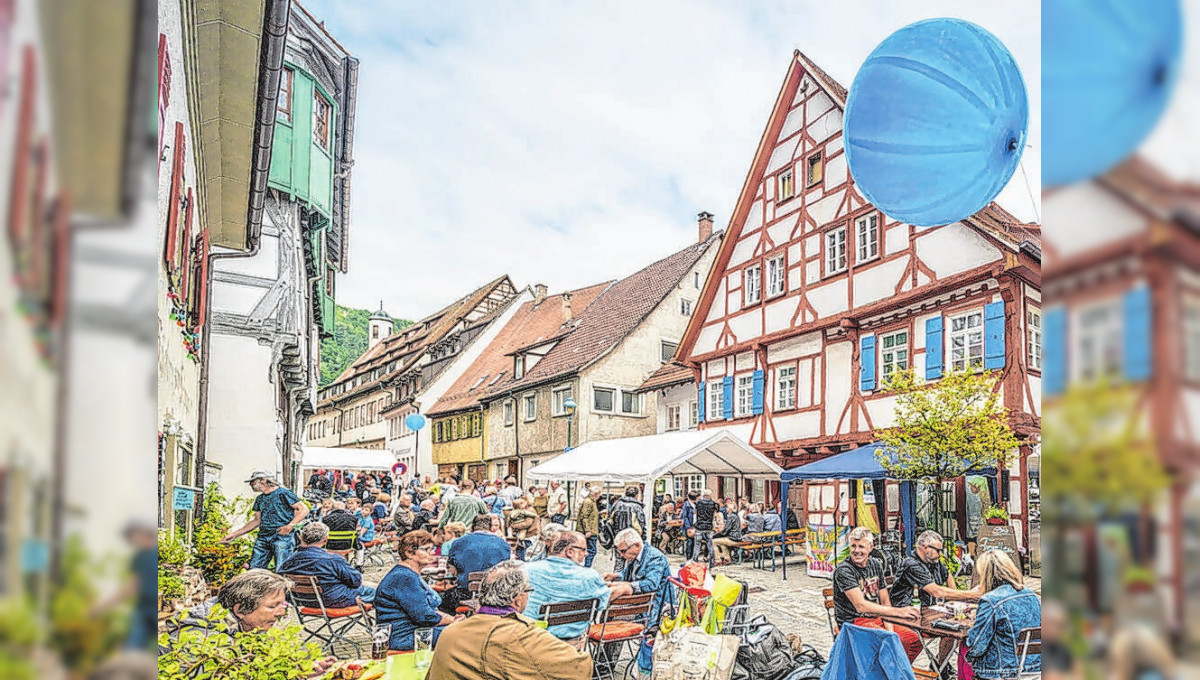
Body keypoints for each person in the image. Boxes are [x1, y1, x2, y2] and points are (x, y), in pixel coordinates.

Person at [428, 560, 593, 680]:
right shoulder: (521, 636)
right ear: (517, 598)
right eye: (528, 590)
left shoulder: (451, 632)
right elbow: (580, 668)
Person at [160, 569, 336, 677]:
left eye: (282, 604)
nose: (281, 612)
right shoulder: (202, 635)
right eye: (273, 606)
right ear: (240, 610)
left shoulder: (245, 625)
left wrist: (299, 666)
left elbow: (258, 661)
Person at [890, 530, 980, 668]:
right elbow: (935, 591)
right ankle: (920, 670)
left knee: (955, 630)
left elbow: (947, 574)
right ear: (925, 547)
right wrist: (972, 595)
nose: (940, 554)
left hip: (930, 612)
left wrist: (956, 601)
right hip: (908, 615)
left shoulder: (933, 560)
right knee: (952, 630)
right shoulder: (911, 564)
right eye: (938, 550)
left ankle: (939, 666)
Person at [831, 526, 922, 663]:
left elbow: (885, 601)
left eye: (861, 546)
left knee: (913, 640)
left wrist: (890, 628)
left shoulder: (876, 564)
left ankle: (893, 673)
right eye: (853, 546)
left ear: (870, 547)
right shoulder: (844, 570)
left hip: (877, 619)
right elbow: (861, 606)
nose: (856, 551)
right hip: (853, 623)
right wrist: (899, 612)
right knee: (887, 641)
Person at [523, 532, 611, 647]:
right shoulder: (590, 577)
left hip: (531, 638)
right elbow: (602, 604)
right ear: (570, 552)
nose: (587, 554)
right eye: (583, 550)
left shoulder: (527, 569)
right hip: (570, 644)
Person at [603, 528, 672, 676]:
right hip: (640, 606)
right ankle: (604, 665)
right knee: (610, 617)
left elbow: (651, 584)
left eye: (623, 551)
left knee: (616, 622)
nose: (621, 555)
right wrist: (614, 577)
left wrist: (628, 588)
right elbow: (626, 574)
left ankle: (604, 668)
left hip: (654, 611)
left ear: (636, 545)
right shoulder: (634, 556)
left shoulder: (655, 557)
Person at [375, 530, 459, 651]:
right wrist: (452, 621)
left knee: (464, 631)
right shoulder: (404, 577)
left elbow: (426, 612)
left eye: (432, 549)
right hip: (404, 638)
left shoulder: (406, 574)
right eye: (426, 549)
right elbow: (424, 617)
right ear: (409, 553)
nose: (432, 553)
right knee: (463, 635)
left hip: (412, 632)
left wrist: (452, 619)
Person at [965, 550, 1042, 678]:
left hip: (1002, 672)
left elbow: (977, 644)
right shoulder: (1031, 594)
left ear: (985, 574)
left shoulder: (990, 600)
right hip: (1036, 667)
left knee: (965, 647)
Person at [92, 519, 159, 651]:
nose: (133, 542)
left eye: (134, 537)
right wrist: (101, 607)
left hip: (163, 608)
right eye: (131, 540)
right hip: (144, 609)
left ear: (143, 533)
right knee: (132, 650)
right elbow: (132, 586)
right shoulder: (139, 557)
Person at [222, 470, 309, 571]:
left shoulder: (284, 493)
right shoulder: (260, 499)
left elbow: (303, 509)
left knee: (281, 570)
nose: (250, 484)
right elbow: (256, 521)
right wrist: (235, 534)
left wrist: (290, 526)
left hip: (281, 536)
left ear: (263, 480)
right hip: (263, 536)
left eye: (253, 481)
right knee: (255, 569)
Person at [278, 523, 376, 607]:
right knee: (379, 592)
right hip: (333, 599)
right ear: (325, 540)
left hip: (301, 600)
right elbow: (356, 581)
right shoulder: (333, 559)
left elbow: (280, 580)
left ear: (301, 537)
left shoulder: (289, 561)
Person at [443, 514, 513, 613]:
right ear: (490, 528)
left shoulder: (459, 542)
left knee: (444, 600)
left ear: (472, 527)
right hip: (496, 594)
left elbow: (453, 569)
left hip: (465, 593)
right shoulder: (503, 544)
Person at [608, 486, 647, 572]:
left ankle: (616, 582)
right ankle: (629, 583)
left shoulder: (617, 504)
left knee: (619, 563)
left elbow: (610, 522)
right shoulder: (637, 507)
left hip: (618, 538)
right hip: (632, 540)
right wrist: (643, 539)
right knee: (633, 562)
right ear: (636, 495)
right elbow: (641, 525)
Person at [1040, 601, 1081, 680]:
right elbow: (1049, 677)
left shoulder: (1063, 648)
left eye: (1062, 625)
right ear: (1043, 622)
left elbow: (1079, 673)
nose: (1059, 629)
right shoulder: (1039, 647)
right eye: (1055, 623)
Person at [691, 489, 718, 567]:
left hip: (700, 526)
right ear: (709, 495)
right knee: (710, 545)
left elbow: (695, 513)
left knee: (697, 545)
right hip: (709, 526)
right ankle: (712, 562)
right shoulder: (713, 503)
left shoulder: (698, 502)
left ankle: (695, 562)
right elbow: (713, 514)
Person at [576, 486, 601, 567]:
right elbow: (584, 517)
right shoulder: (588, 502)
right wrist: (587, 530)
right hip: (590, 531)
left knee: (590, 550)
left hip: (591, 530)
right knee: (591, 551)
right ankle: (586, 567)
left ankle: (586, 566)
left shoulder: (591, 501)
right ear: (596, 494)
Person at [680, 491, 697, 560]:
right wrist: (688, 527)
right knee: (689, 542)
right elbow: (685, 517)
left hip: (695, 525)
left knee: (695, 542)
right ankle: (689, 558)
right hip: (689, 526)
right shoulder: (686, 505)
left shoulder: (696, 505)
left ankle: (693, 557)